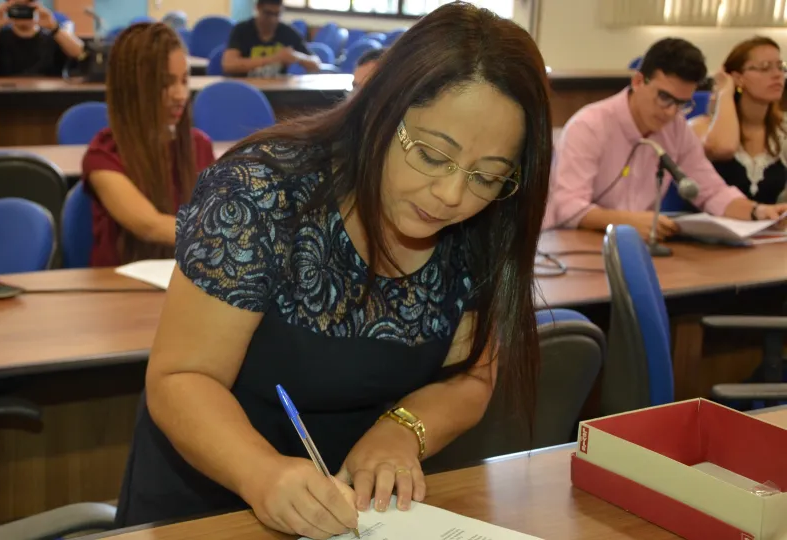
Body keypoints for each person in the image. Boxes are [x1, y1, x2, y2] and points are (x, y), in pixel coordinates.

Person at [115, 3, 553, 539]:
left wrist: (402, 431)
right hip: (209, 504)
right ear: (380, 111)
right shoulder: (261, 195)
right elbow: (181, 378)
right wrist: (261, 471)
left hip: (355, 513)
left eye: (488, 176)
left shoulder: (486, 223)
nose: (452, 195)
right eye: (433, 156)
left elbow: (471, 377)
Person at [545, 38, 787, 239]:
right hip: (580, 245)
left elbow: (711, 191)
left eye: (682, 103)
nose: (671, 112)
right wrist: (625, 222)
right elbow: (568, 207)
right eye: (665, 98)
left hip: (639, 247)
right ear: (638, 81)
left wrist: (757, 212)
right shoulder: (589, 126)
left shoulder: (676, 128)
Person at [81, 23, 215, 266]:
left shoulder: (199, 145)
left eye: (184, 81)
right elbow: (149, 225)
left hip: (184, 284)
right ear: (134, 87)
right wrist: (226, 236)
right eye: (166, 83)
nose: (180, 94)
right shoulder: (103, 156)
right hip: (119, 291)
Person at [689, 37, 787, 205]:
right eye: (765, 68)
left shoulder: (782, 130)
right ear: (738, 78)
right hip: (708, 229)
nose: (777, 75)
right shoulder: (699, 126)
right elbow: (723, 147)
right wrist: (725, 91)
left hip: (768, 229)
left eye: (780, 67)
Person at [0, 0, 85, 77]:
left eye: (28, 6)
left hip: (46, 100)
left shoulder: (53, 37)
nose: (23, 11)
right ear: (8, 7)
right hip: (4, 99)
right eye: (18, 6)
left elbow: (81, 54)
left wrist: (54, 27)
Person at [222, 0, 321, 77]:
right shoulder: (241, 30)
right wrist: (274, 58)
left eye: (277, 14)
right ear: (258, 8)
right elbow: (229, 65)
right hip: (246, 88)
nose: (273, 19)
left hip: (278, 91)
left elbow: (316, 64)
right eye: (268, 13)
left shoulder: (288, 32)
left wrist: (297, 56)